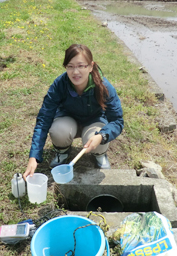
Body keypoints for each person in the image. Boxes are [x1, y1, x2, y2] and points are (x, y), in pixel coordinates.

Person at [23, 44, 124, 180]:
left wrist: (101, 136)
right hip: (68, 120)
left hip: (94, 121)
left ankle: (100, 154)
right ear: (66, 67)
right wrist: (34, 156)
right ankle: (62, 152)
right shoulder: (60, 84)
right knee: (58, 130)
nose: (75, 72)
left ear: (90, 66)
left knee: (96, 138)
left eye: (81, 66)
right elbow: (43, 119)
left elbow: (117, 121)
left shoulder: (104, 86)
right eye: (70, 66)